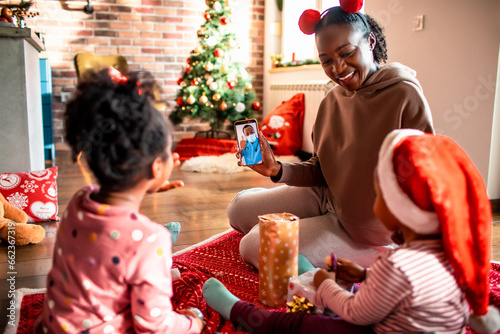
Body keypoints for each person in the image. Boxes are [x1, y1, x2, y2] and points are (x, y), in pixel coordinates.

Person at [203, 129, 500, 334]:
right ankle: (305, 269)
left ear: (401, 211)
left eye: (378, 193)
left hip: (373, 326)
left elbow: (357, 313)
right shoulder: (458, 259)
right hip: (328, 200)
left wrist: (326, 285)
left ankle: (240, 310)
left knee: (307, 326)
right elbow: (412, 291)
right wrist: (365, 276)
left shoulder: (396, 266)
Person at [229, 4, 434, 269]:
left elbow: (428, 177)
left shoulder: (404, 96)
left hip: (366, 230)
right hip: (327, 197)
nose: (337, 68)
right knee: (237, 209)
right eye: (326, 60)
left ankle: (381, 256)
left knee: (254, 245)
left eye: (346, 52)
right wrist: (276, 169)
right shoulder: (331, 100)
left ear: (370, 41)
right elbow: (320, 169)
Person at [35, 68, 204, 333]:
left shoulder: (80, 201)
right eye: (170, 151)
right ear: (157, 168)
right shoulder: (149, 239)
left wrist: (142, 187)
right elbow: (153, 326)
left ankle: (147, 277)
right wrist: (192, 322)